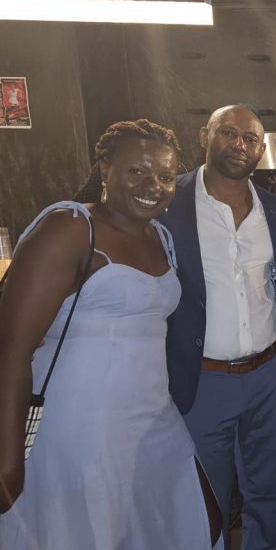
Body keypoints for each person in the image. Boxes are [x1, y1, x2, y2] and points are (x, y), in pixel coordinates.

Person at [0, 120, 221, 548]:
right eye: (137, 171)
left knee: (194, 522)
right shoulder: (70, 227)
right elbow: (12, 349)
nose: (153, 186)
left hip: (152, 418)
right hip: (79, 425)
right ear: (105, 168)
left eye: (165, 177)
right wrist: (8, 459)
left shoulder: (160, 237)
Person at [161, 105, 276, 550]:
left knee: (265, 490)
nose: (240, 145)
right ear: (205, 135)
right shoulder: (170, 203)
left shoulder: (275, 210)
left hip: (267, 372)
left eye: (251, 138)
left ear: (261, 148)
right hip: (203, 379)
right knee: (205, 494)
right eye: (229, 133)